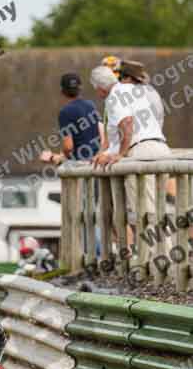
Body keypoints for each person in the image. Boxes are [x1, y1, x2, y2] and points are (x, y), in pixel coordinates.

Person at [90, 65, 170, 239]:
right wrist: (108, 151)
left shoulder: (113, 97)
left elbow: (127, 123)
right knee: (158, 210)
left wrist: (120, 154)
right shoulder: (132, 89)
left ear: (101, 89)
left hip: (141, 152)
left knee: (143, 212)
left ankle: (153, 260)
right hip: (161, 148)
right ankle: (166, 257)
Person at [40, 73, 103, 166]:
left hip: (80, 165)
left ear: (62, 91)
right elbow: (102, 135)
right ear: (80, 89)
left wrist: (53, 157)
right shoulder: (91, 105)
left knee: (45, 156)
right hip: (96, 161)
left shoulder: (65, 112)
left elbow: (68, 147)